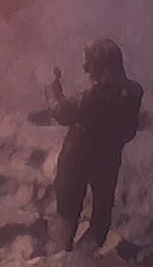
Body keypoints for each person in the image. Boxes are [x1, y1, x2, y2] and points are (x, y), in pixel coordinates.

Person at [46, 38, 144, 252]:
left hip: (75, 161)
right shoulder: (134, 92)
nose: (86, 70)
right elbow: (129, 132)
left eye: (90, 65)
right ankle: (86, 254)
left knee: (67, 213)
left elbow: (61, 113)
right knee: (101, 218)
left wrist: (52, 90)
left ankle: (65, 258)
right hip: (108, 163)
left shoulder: (92, 97)